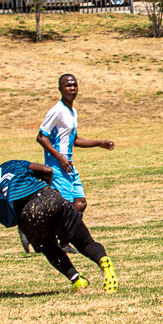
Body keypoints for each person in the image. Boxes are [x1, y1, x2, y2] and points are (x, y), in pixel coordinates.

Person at [0, 156, 115, 295]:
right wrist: (48, 192)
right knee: (85, 242)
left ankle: (77, 279)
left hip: (28, 213)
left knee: (49, 247)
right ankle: (102, 260)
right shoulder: (11, 164)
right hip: (49, 196)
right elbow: (47, 170)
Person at [38, 73, 114, 221]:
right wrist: (60, 158)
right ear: (60, 89)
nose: (72, 88)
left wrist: (99, 143)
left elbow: (74, 140)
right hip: (57, 164)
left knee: (80, 203)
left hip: (68, 163)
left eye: (74, 85)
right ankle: (55, 231)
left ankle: (62, 229)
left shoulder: (72, 112)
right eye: (68, 86)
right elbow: (41, 137)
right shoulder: (57, 111)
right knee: (65, 206)